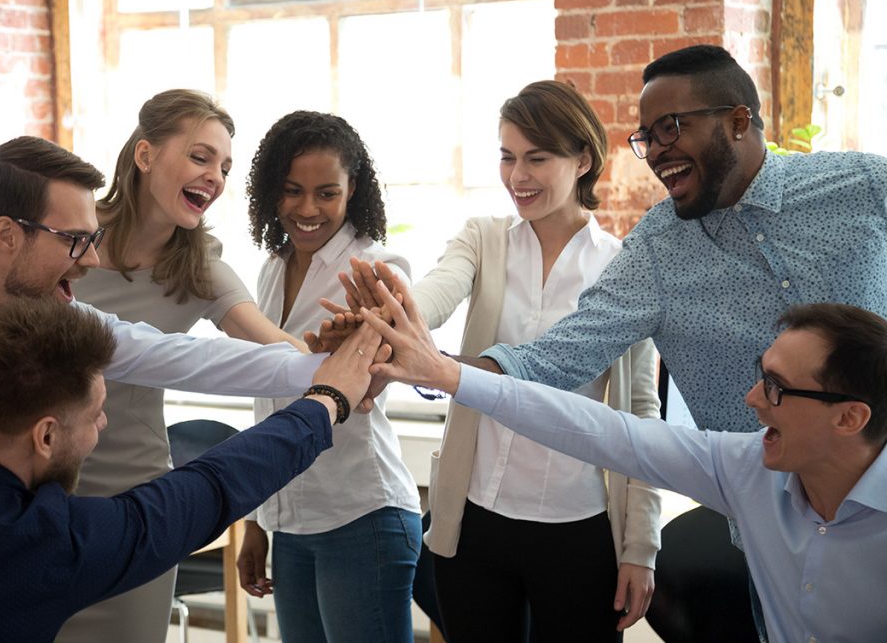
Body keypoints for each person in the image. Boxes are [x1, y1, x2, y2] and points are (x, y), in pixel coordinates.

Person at [339, 44, 887, 638]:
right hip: (769, 513)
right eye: (646, 136)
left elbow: (632, 413)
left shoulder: (862, 186)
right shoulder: (656, 249)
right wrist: (425, 357)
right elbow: (565, 369)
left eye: (671, 128)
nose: (656, 151)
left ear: (738, 119)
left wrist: (638, 545)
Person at [364, 277, 887, 643]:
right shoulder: (745, 469)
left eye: (776, 388)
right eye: (760, 374)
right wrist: (448, 375)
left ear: (850, 418)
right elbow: (603, 432)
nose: (751, 398)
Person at [0, 296, 387, 642]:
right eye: (95, 416)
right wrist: (326, 402)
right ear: (45, 436)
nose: (103, 424)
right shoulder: (45, 544)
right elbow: (207, 488)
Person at [0, 135, 326, 459]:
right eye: (74, 240)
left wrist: (330, 370)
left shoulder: (58, 320)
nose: (92, 261)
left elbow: (186, 358)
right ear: (7, 235)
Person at [403, 81, 660, 640]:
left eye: (537, 158)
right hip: (475, 522)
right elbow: (436, 291)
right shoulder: (484, 239)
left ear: (583, 159)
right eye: (507, 156)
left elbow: (642, 412)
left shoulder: (624, 268)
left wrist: (641, 547)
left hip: (579, 527)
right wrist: (399, 314)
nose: (517, 176)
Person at [58, 90, 310, 643]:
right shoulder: (70, 238)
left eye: (223, 167)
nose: (215, 177)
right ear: (145, 155)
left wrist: (335, 366)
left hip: (136, 502)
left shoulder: (200, 265)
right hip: (42, 492)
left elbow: (271, 347)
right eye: (200, 157)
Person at [235, 110, 422, 643]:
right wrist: (258, 521)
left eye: (326, 193)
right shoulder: (271, 268)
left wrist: (355, 351)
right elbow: (265, 401)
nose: (308, 209)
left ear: (353, 189)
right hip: (291, 524)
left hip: (361, 515)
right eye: (293, 191)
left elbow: (374, 373)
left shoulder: (378, 267)